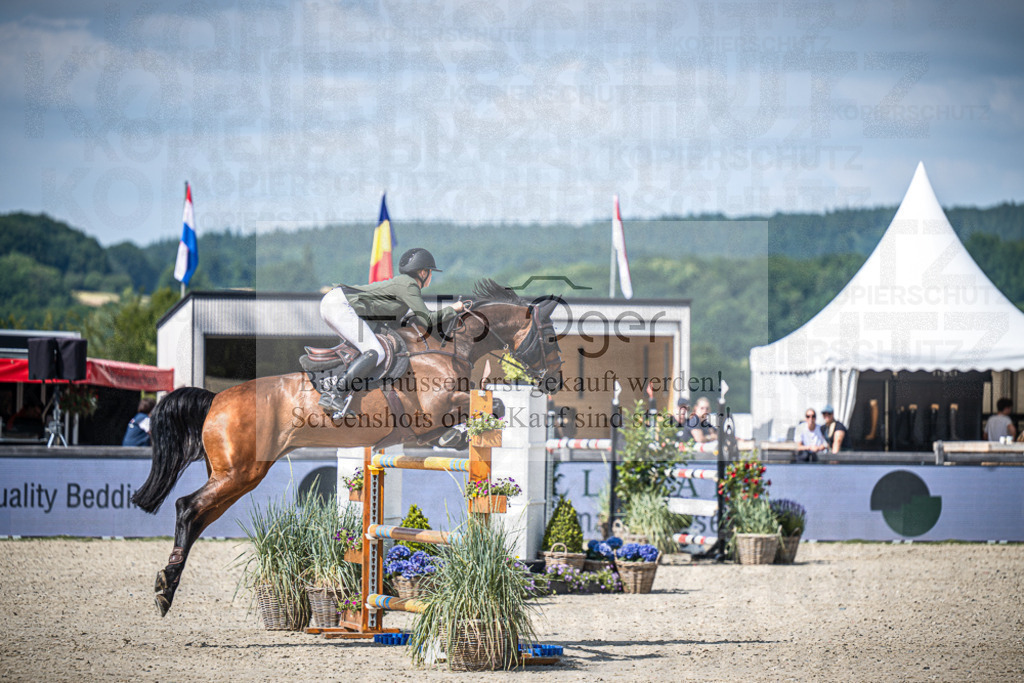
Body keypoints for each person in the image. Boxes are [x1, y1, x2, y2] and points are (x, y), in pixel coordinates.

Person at [317, 248, 466, 416]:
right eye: (431, 272)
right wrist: (454, 309)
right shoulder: (409, 285)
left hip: (336, 304)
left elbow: (399, 322)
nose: (431, 276)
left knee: (366, 350)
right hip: (340, 305)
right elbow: (428, 319)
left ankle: (343, 393)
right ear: (423, 272)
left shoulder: (404, 285)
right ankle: (333, 394)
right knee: (375, 352)